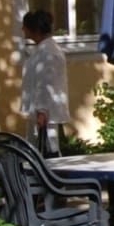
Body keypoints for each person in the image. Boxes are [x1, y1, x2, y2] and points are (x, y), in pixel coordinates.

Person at [19, 8, 68, 142]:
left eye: (25, 26)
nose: (22, 29)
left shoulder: (48, 52)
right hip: (39, 111)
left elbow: (47, 83)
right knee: (38, 147)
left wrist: (42, 110)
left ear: (34, 29)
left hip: (46, 114)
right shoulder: (42, 49)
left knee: (48, 147)